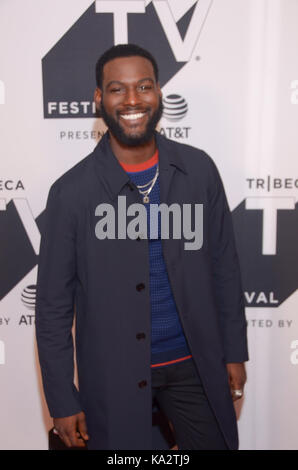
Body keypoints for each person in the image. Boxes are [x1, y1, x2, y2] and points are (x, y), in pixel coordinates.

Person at [36, 44, 248, 450]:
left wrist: (234, 351)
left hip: (196, 367)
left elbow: (224, 266)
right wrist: (61, 398)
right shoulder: (71, 193)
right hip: (113, 375)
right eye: (117, 89)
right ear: (99, 98)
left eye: (144, 86)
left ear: (159, 94)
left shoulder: (199, 170)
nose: (133, 100)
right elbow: (53, 308)